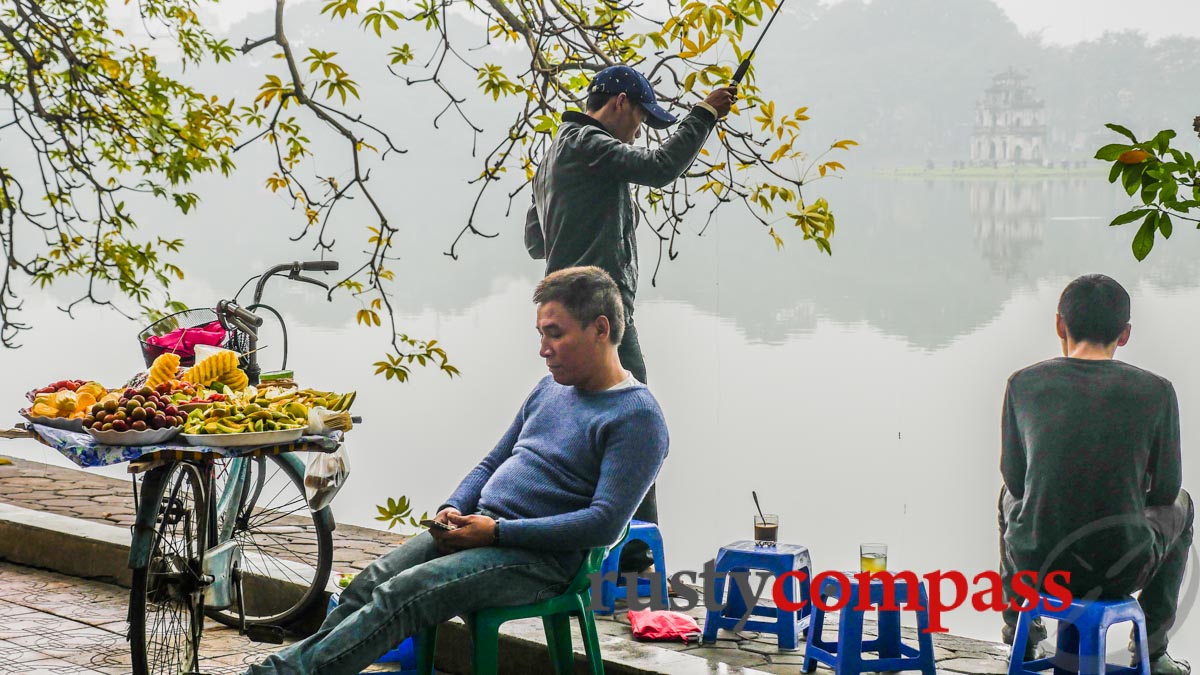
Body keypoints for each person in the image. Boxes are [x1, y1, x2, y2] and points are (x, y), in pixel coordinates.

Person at [246, 266, 669, 675]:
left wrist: (497, 532)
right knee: (367, 583)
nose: (543, 349)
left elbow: (604, 524)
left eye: (555, 334)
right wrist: (454, 506)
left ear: (600, 329)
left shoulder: (637, 417)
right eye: (540, 334)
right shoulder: (550, 389)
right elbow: (492, 461)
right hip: (481, 531)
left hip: (545, 561)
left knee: (406, 593)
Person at [524, 64, 733, 571]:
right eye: (641, 118)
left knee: (589, 433)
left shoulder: (554, 154)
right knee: (636, 430)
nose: (640, 131)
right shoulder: (588, 144)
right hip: (599, 317)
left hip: (567, 311)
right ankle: (639, 569)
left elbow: (535, 241)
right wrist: (704, 113)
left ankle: (598, 560)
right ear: (619, 103)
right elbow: (662, 167)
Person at [998, 274, 1192, 675]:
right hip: (1121, 566)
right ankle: (1151, 652)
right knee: (1183, 505)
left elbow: (1017, 483)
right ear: (1124, 334)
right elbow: (1166, 490)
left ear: (1059, 325)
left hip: (1038, 564)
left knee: (1006, 496)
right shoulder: (1156, 391)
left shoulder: (1023, 383)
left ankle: (1020, 625)